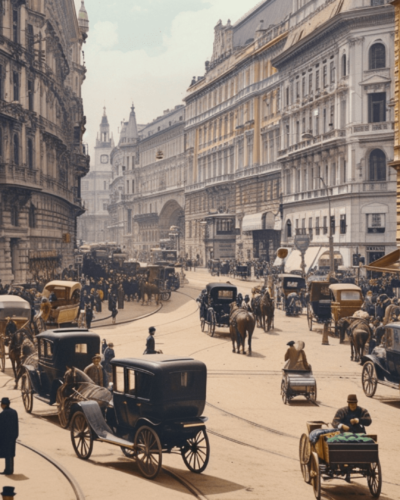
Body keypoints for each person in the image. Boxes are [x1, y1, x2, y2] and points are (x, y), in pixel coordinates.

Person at [0, 397, 19, 475]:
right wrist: (16, 435)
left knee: (7, 454)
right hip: (12, 436)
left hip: (5, 437)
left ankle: (8, 470)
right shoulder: (14, 412)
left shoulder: (2, 414)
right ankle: (10, 469)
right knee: (11, 454)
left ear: (3, 405)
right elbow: (16, 424)